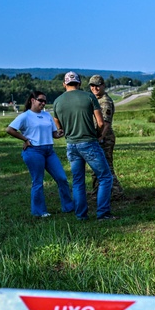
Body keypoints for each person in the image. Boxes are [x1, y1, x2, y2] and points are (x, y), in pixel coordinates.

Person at [51, 71, 117, 220]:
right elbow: (101, 123)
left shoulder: (57, 102)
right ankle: (103, 213)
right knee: (106, 177)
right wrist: (98, 135)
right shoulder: (88, 97)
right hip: (89, 142)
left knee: (78, 181)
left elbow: (58, 126)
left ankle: (81, 215)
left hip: (71, 145)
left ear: (64, 84)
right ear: (79, 83)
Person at [5, 91, 75, 218]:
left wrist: (59, 134)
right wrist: (25, 139)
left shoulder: (47, 115)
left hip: (49, 151)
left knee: (62, 178)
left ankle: (68, 207)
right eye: (40, 100)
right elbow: (9, 129)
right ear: (32, 100)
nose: (43, 103)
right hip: (34, 151)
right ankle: (39, 211)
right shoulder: (25, 116)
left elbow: (54, 133)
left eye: (45, 101)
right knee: (38, 181)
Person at [88, 75, 124, 198]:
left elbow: (105, 123)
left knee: (106, 167)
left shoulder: (105, 101)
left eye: (98, 85)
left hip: (104, 138)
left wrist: (101, 137)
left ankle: (116, 192)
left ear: (103, 86)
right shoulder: (94, 100)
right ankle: (97, 192)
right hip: (97, 137)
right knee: (96, 167)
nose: (95, 88)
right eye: (92, 85)